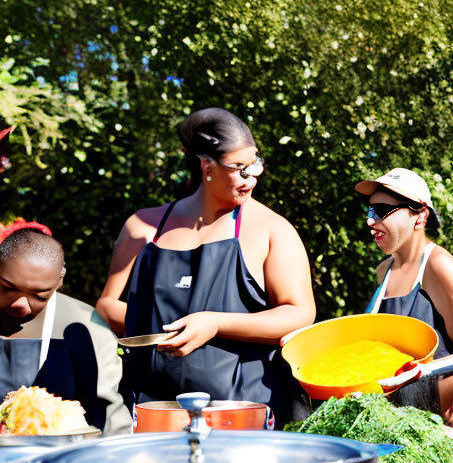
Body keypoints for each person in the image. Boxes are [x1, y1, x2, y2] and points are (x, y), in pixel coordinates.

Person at [96, 108, 315, 423]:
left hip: (242, 413)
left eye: (256, 163)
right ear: (206, 166)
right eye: (239, 167)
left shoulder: (271, 229)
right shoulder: (143, 226)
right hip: (152, 413)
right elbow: (106, 306)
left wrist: (214, 323)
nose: (252, 176)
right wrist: (159, 328)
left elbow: (299, 313)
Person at [354, 168, 453, 421]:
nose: (371, 221)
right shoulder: (384, 270)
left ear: (420, 217)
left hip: (432, 427)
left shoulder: (438, 265)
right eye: (370, 211)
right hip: (388, 420)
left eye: (381, 210)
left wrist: (429, 407)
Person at [1, 226, 128, 434]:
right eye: (7, 288)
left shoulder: (88, 327)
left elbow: (111, 424)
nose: (20, 305)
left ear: (59, 280)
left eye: (39, 296)